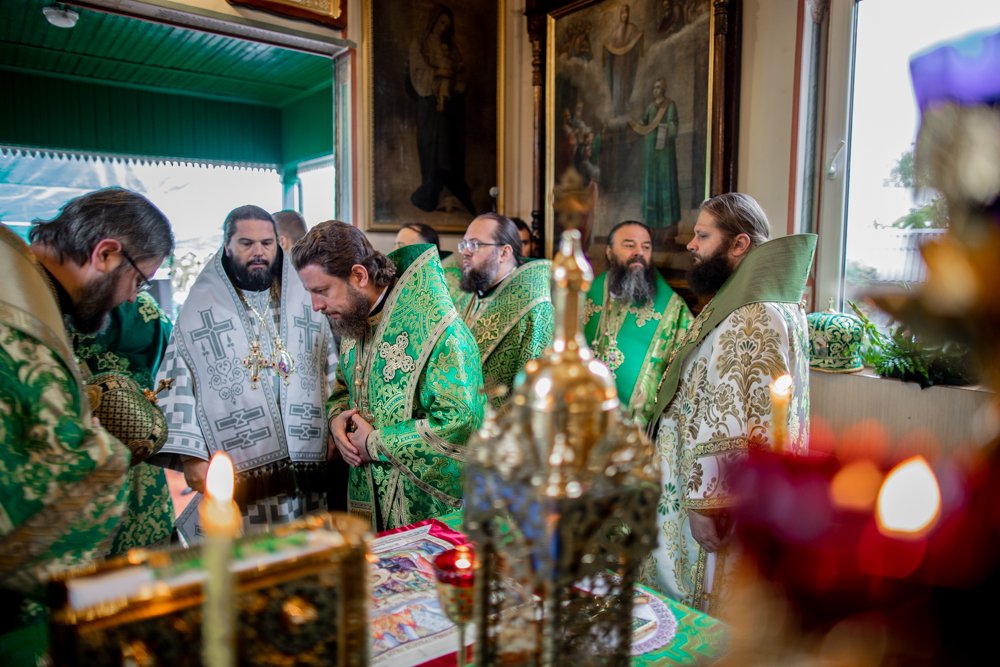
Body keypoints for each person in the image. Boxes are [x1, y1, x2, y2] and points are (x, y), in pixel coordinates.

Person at [1, 187, 173, 664]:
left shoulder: (23, 284)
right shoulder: (18, 327)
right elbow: (50, 473)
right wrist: (104, 448)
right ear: (106, 254)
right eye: (138, 281)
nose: (132, 298)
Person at [642, 193, 816, 616]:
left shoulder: (752, 314)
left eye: (703, 236)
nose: (691, 244)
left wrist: (706, 504)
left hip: (717, 501)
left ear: (739, 244)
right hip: (715, 483)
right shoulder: (765, 302)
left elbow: (731, 418)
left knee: (702, 606)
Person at [152, 205, 338, 541]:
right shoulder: (201, 305)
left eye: (266, 243)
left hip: (306, 464)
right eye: (246, 243)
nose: (258, 252)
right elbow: (176, 380)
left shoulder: (302, 298)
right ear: (227, 246)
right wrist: (192, 458)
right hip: (239, 471)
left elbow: (329, 365)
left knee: (305, 551)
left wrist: (332, 428)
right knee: (248, 556)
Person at [292, 221, 484, 531]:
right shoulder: (356, 319)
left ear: (359, 275)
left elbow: (461, 422)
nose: (316, 306)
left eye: (322, 290)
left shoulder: (438, 329)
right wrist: (337, 419)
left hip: (422, 514)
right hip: (366, 500)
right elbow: (344, 389)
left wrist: (375, 443)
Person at [70, 291, 176, 556]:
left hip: (127, 456)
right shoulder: (133, 307)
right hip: (79, 467)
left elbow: (171, 357)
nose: (132, 294)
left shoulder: (137, 311)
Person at [583, 220, 691, 427]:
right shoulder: (586, 295)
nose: (639, 252)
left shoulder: (673, 309)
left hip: (637, 430)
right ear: (609, 252)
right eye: (629, 245)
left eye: (646, 247)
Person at [457, 213, 553, 407]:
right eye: (464, 244)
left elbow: (533, 394)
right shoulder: (468, 296)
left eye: (474, 244)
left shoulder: (534, 308)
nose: (465, 252)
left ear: (504, 253)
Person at [408, 4, 476, 216]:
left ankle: (450, 191)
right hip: (430, 103)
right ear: (434, 22)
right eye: (442, 22)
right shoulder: (422, 43)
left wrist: (454, 74)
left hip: (449, 107)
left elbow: (461, 76)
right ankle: (431, 191)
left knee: (449, 151)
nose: (445, 27)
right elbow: (417, 71)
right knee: (432, 148)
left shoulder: (452, 47)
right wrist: (438, 71)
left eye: (448, 24)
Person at [628, 78, 681, 231]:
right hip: (650, 150)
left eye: (658, 87)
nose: (656, 90)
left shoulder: (669, 105)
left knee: (665, 182)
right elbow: (644, 122)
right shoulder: (651, 107)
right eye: (654, 88)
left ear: (663, 89)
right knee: (651, 182)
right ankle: (651, 224)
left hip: (664, 152)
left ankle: (667, 226)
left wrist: (667, 128)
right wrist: (635, 123)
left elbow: (673, 124)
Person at [604, 3, 643, 116]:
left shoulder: (632, 28)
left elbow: (637, 40)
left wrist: (639, 38)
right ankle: (616, 108)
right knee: (617, 84)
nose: (624, 15)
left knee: (626, 82)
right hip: (617, 64)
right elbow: (610, 45)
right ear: (620, 15)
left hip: (628, 62)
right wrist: (605, 47)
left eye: (626, 12)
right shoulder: (616, 31)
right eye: (623, 13)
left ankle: (625, 103)